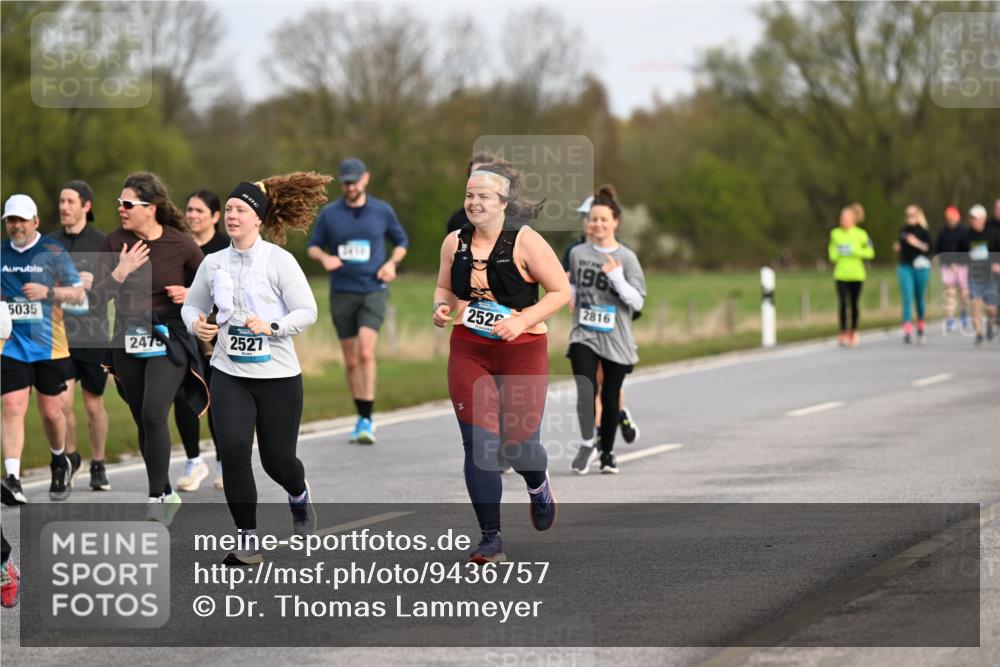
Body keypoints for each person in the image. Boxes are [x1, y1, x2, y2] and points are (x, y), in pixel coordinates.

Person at [183, 172, 327, 566]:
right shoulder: (212, 264)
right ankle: (248, 538)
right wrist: (196, 324)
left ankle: (298, 494)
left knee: (277, 461)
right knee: (232, 451)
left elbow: (308, 311)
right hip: (229, 373)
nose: (232, 215)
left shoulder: (279, 261)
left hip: (279, 377)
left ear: (258, 219)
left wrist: (273, 326)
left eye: (240, 210)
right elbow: (190, 306)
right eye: (228, 208)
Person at [433, 160, 570, 563]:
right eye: (469, 195)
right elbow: (445, 287)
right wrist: (442, 308)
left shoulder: (526, 242)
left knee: (520, 446)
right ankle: (490, 538)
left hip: (522, 349)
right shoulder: (453, 242)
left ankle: (538, 483)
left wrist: (522, 321)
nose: (474, 203)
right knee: (479, 445)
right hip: (470, 348)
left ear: (503, 203)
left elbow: (560, 292)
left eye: (483, 197)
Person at [94, 173, 207, 524]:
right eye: (120, 203)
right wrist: (121, 272)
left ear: (151, 208)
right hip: (128, 338)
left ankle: (156, 497)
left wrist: (190, 295)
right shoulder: (115, 243)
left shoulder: (180, 244)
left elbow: (212, 287)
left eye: (127, 204)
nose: (120, 209)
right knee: (144, 419)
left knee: (155, 412)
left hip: (169, 337)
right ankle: (167, 490)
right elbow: (96, 299)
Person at [306, 158, 408, 444]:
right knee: (351, 361)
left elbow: (401, 242)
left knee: (366, 351)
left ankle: (368, 418)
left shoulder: (382, 211)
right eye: (346, 182)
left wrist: (391, 265)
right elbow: (313, 246)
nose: (350, 186)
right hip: (342, 291)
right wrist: (325, 257)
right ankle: (361, 415)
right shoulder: (330, 214)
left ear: (366, 179)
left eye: (355, 181)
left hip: (373, 289)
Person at [1, 194, 85, 504]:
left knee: (52, 414)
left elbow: (77, 295)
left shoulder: (53, 251)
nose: (17, 225)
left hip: (50, 347)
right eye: (11, 220)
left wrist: (47, 291)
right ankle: (12, 478)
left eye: (22, 219)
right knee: (12, 406)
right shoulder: (0, 254)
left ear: (35, 221)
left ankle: (59, 459)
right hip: (11, 346)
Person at [567, 186, 647, 475]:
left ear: (615, 222)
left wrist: (617, 278)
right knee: (586, 389)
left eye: (603, 219)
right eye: (593, 219)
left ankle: (608, 452)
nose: (597, 224)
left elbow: (637, 301)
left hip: (617, 337)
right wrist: (568, 291)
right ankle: (588, 443)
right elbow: (573, 284)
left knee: (611, 397)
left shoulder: (628, 258)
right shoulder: (577, 253)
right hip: (584, 333)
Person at [50, 180, 112, 491]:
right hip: (59, 336)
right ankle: (71, 457)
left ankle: (98, 463)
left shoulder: (103, 243)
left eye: (70, 201)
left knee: (92, 405)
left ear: (86, 205)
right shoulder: (47, 244)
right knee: (61, 404)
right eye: (61, 201)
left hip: (93, 335)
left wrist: (94, 284)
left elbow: (116, 290)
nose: (64, 207)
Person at [173, 190, 229, 492]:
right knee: (184, 395)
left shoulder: (225, 248)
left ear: (216, 217)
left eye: (199, 211)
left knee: (217, 399)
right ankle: (194, 461)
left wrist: (193, 293)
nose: (192, 215)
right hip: (183, 333)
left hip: (218, 335)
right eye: (189, 209)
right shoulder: (178, 246)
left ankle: (223, 462)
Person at [828, 202, 874, 347]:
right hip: (841, 273)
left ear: (853, 219)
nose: (842, 220)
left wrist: (855, 251)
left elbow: (870, 252)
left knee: (854, 304)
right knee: (842, 303)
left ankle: (853, 331)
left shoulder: (861, 234)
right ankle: (842, 331)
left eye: (845, 218)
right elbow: (832, 252)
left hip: (857, 274)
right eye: (841, 217)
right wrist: (837, 253)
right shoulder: (835, 233)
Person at [893, 205, 933, 344]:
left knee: (919, 297)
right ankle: (907, 329)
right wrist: (898, 246)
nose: (909, 218)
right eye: (908, 215)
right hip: (905, 267)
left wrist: (916, 243)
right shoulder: (903, 231)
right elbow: (901, 245)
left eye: (912, 215)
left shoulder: (924, 232)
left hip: (921, 268)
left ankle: (920, 326)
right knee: (907, 297)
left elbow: (929, 249)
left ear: (918, 216)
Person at [966, 204, 1000, 345]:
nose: (973, 221)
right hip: (974, 275)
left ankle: (992, 322)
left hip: (990, 275)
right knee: (975, 303)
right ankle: (979, 333)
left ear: (983, 219)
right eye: (972, 218)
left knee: (991, 307)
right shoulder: (966, 235)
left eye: (976, 218)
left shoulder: (992, 235)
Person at [935, 205, 970, 333]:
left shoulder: (964, 231)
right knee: (949, 293)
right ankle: (950, 319)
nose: (951, 221)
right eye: (949, 219)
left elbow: (967, 250)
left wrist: (959, 263)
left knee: (964, 292)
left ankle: (964, 312)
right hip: (947, 265)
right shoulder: (942, 232)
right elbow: (939, 250)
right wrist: (948, 262)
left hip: (962, 265)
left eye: (953, 218)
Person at [447, 151, 496, 234]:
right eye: (475, 175)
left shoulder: (512, 219)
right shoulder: (457, 219)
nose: (480, 181)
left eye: (485, 175)